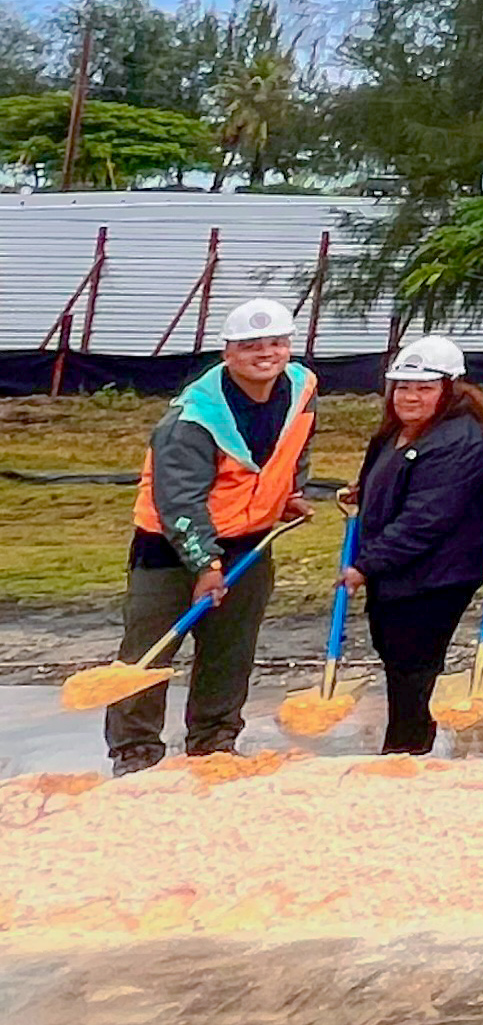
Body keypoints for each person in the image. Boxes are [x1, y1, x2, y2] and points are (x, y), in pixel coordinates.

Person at [110, 297, 314, 774]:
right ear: (228, 353)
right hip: (169, 547)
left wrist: (287, 492)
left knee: (230, 649)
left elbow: (297, 444)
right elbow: (178, 501)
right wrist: (205, 565)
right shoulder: (192, 418)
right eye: (251, 346)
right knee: (150, 649)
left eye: (276, 343)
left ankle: (214, 742)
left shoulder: (302, 388)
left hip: (249, 540)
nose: (265, 353)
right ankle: (135, 751)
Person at [339, 338, 483, 755]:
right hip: (400, 571)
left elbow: (426, 518)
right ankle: (409, 744)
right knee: (397, 660)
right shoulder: (397, 432)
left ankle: (405, 752)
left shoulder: (460, 441)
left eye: (424, 388)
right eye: (403, 387)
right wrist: (368, 492)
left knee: (412, 666)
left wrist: (366, 565)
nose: (410, 397)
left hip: (437, 574)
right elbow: (401, 484)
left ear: (449, 389)